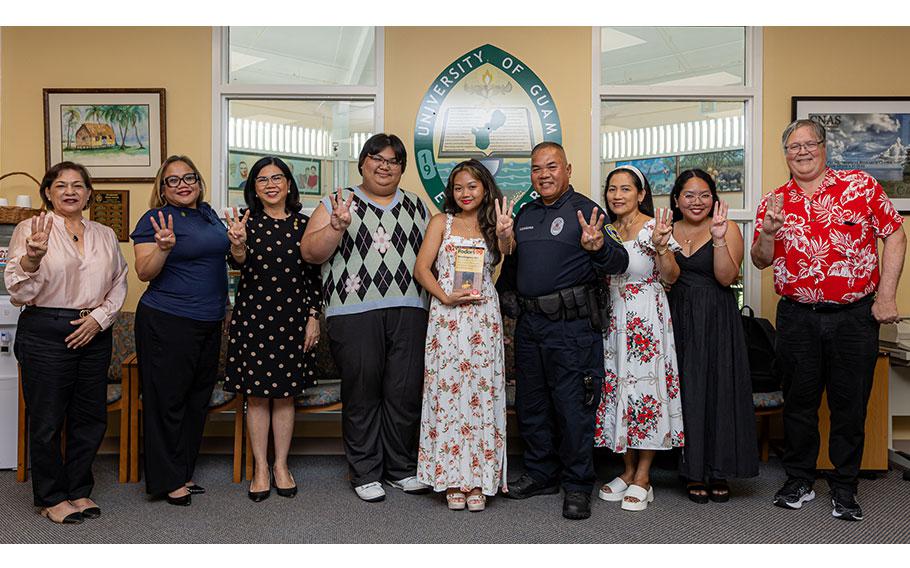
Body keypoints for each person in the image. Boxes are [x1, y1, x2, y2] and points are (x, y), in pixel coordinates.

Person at [752, 119, 906, 522]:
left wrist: (886, 296)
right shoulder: (774, 200)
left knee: (850, 405)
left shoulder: (860, 186)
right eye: (793, 146)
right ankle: (799, 480)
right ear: (784, 153)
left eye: (809, 144)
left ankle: (844, 486)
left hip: (854, 317)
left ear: (824, 147)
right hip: (797, 318)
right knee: (798, 403)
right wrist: (768, 232)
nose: (801, 152)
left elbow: (895, 235)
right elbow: (760, 259)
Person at [497, 142, 629, 520]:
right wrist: (505, 242)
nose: (544, 174)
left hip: (572, 328)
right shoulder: (524, 213)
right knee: (532, 406)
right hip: (530, 327)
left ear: (568, 169)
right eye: (537, 169)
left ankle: (576, 484)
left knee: (573, 409)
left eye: (552, 167)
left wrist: (598, 245)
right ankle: (541, 474)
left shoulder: (587, 210)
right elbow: (510, 274)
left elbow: (619, 262)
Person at [300, 133, 431, 502]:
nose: (384, 166)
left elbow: (438, 255)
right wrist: (336, 226)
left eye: (393, 161)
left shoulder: (417, 207)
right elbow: (310, 253)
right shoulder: (338, 202)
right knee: (362, 392)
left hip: (409, 309)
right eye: (377, 158)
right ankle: (365, 471)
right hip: (352, 312)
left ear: (402, 168)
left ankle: (400, 468)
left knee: (403, 393)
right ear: (363, 163)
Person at [6, 161, 128, 524]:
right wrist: (32, 257)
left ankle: (77, 489)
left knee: (89, 417)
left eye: (78, 185)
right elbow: (16, 288)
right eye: (61, 185)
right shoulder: (30, 228)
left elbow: (119, 281)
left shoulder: (105, 233)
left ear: (89, 193)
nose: (70, 191)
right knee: (46, 419)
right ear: (48, 192)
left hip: (94, 330)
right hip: (46, 329)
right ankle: (51, 496)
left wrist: (99, 319)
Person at [130, 155, 230, 506]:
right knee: (167, 401)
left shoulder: (208, 214)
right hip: (167, 320)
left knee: (195, 400)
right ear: (162, 187)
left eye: (189, 177)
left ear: (199, 181)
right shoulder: (154, 219)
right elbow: (144, 272)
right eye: (173, 180)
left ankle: (183, 470)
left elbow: (223, 258)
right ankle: (167, 480)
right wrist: (162, 248)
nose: (183, 184)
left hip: (209, 321)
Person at [414, 159, 512, 512]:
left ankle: (480, 481)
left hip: (483, 320)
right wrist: (443, 296)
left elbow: (508, 252)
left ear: (485, 187)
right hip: (447, 318)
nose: (465, 193)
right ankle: (452, 478)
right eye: (458, 187)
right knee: (449, 396)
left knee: (481, 396)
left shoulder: (493, 224)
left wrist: (503, 232)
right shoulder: (442, 222)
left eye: (472, 186)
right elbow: (421, 268)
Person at [223, 156, 322, 502]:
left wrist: (314, 316)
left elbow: (314, 276)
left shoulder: (305, 224)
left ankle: (281, 465)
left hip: (294, 320)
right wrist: (237, 243)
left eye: (277, 178)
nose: (270, 184)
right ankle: (261, 468)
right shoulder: (245, 223)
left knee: (285, 396)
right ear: (254, 188)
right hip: (254, 319)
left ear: (289, 184)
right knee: (257, 396)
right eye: (262, 179)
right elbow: (238, 262)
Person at [593, 164, 684, 512]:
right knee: (621, 391)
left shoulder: (653, 227)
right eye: (612, 189)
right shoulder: (605, 230)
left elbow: (672, 276)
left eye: (626, 189)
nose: (617, 195)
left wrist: (662, 247)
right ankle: (627, 470)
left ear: (641, 194)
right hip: (613, 317)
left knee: (645, 392)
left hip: (646, 316)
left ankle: (644, 475)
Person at [666, 169, 758, 504]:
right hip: (678, 316)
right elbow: (667, 277)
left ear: (714, 198)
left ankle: (718, 469)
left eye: (704, 194)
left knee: (718, 389)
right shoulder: (667, 230)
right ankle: (692, 471)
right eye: (689, 195)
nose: (697, 201)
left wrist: (719, 237)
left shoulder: (728, 227)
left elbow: (726, 277)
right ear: (676, 200)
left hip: (718, 316)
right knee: (687, 390)